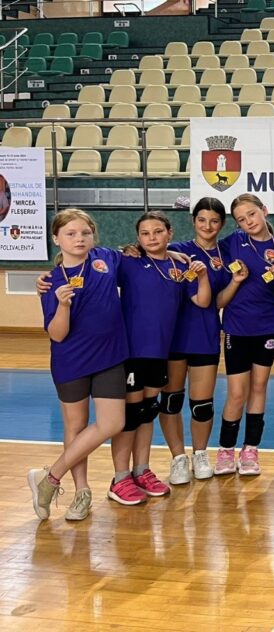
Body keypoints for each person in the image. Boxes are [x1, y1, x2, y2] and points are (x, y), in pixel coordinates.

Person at [29, 210, 129, 521]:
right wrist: (62, 305)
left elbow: (145, 255)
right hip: (71, 361)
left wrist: (176, 256)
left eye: (85, 232)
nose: (79, 239)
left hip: (110, 355)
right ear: (56, 239)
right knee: (75, 426)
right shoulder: (51, 282)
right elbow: (57, 334)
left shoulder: (106, 258)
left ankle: (49, 477)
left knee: (112, 423)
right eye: (70, 234)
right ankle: (81, 491)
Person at [111, 211, 210, 503]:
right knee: (130, 415)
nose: (151, 237)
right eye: (145, 233)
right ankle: (120, 478)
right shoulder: (128, 262)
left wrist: (201, 274)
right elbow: (94, 265)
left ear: (170, 233)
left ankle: (141, 470)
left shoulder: (180, 266)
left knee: (147, 412)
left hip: (160, 352)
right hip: (131, 352)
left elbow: (201, 300)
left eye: (157, 231)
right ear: (137, 238)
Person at [160, 197, 233, 484]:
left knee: (202, 404)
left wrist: (237, 281)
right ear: (193, 222)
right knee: (171, 400)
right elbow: (144, 252)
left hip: (205, 334)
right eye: (202, 220)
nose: (207, 226)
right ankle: (178, 458)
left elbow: (218, 300)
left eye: (214, 221)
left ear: (222, 224)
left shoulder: (226, 254)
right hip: (173, 336)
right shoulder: (177, 251)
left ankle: (200, 454)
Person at [216, 193, 274, 476]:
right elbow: (202, 248)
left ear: (264, 211)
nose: (248, 222)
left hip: (268, 327)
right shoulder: (233, 242)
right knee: (236, 392)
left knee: (259, 387)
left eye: (252, 214)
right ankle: (225, 450)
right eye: (241, 219)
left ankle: (250, 450)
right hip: (237, 328)